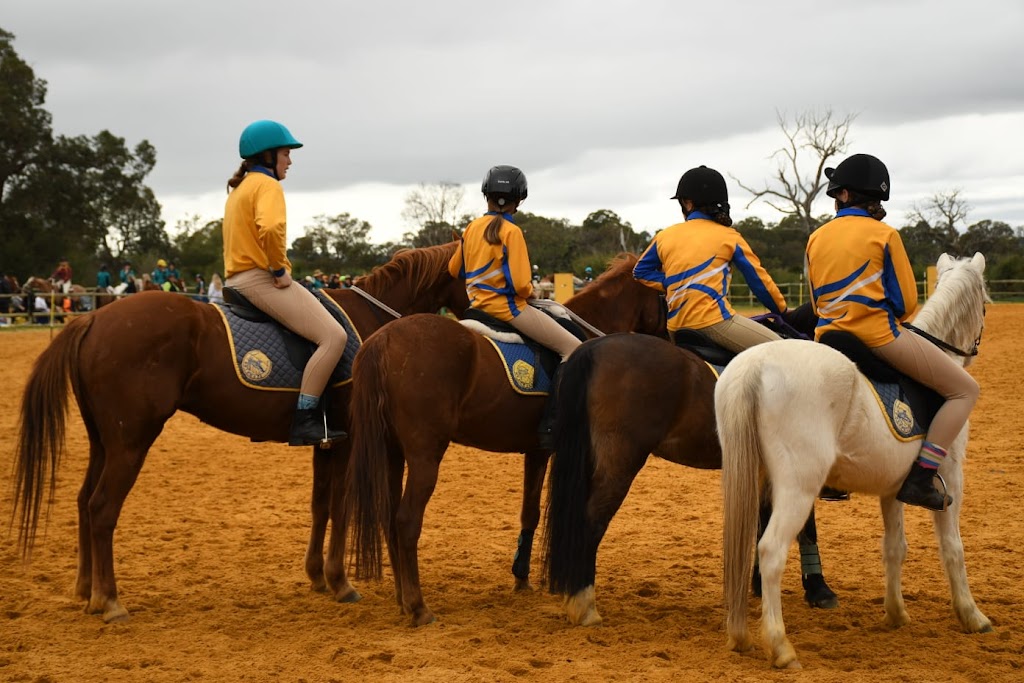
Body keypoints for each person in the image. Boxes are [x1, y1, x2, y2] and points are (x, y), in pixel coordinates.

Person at [805, 153, 979, 511]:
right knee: (964, 389)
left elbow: (815, 300)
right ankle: (922, 475)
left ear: (848, 195)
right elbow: (907, 303)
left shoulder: (816, 238)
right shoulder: (884, 235)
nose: (835, 196)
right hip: (878, 338)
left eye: (837, 191)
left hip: (826, 337)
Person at [223, 119, 348, 447]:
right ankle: (305, 419)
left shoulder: (240, 189)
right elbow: (272, 228)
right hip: (259, 279)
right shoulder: (267, 186)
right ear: (267, 156)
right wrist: (279, 271)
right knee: (333, 337)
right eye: (285, 154)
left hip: (235, 279)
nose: (290, 161)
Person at [448, 165, 581, 448]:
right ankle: (552, 422)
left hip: (477, 309)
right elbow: (521, 285)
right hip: (509, 310)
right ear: (519, 199)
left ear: (486, 195)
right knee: (573, 348)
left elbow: (453, 268)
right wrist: (531, 292)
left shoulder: (471, 228)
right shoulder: (511, 231)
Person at [633, 165, 788, 352]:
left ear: (688, 203)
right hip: (716, 323)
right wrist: (782, 310)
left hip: (675, 328)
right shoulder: (730, 236)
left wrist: (672, 282)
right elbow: (759, 283)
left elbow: (640, 271)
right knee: (784, 351)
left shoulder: (664, 235)